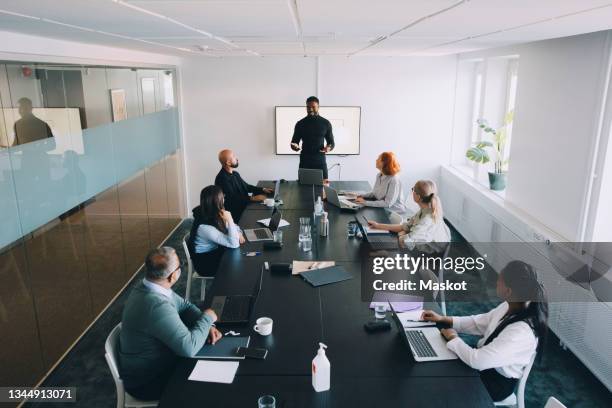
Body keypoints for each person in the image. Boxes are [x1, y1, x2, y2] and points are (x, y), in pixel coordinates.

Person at [421, 261, 548, 403]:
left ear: (508, 291)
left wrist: (454, 338)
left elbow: (477, 361)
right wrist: (445, 319)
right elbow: (479, 322)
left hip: (495, 383)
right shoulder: (511, 304)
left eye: (499, 280)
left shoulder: (521, 332)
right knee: (437, 369)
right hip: (484, 363)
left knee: (439, 385)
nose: (496, 283)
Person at [119, 247, 222, 400]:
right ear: (173, 276)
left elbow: (185, 306)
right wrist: (207, 318)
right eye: (180, 267)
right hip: (148, 381)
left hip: (160, 361)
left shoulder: (150, 285)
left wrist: (208, 327)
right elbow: (189, 348)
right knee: (212, 386)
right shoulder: (156, 305)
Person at [367, 179, 450, 251]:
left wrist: (402, 234)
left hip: (428, 258)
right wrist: (378, 225)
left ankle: (385, 254)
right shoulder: (424, 211)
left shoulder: (427, 220)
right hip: (421, 247)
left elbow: (405, 243)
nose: (412, 191)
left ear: (418, 196)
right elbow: (404, 227)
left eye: (413, 189)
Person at [189, 185, 245, 276]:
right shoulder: (205, 227)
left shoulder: (210, 212)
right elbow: (234, 244)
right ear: (217, 201)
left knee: (242, 257)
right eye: (223, 197)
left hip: (215, 252)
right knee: (242, 264)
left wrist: (238, 232)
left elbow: (235, 227)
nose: (224, 199)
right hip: (206, 263)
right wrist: (230, 219)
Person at [215, 149, 272, 221]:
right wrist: (252, 198)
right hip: (236, 214)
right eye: (233, 157)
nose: (237, 158)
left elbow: (246, 186)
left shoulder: (235, 174)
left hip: (244, 206)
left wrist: (263, 189)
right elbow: (232, 199)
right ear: (228, 162)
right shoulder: (221, 179)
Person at [290, 96, 335, 180]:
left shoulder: (326, 123)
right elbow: (294, 142)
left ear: (318, 107)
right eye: (308, 107)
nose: (310, 109)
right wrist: (295, 146)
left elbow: (331, 142)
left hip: (320, 161)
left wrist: (329, 148)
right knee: (303, 188)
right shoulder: (300, 123)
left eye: (313, 107)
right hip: (305, 161)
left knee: (323, 188)